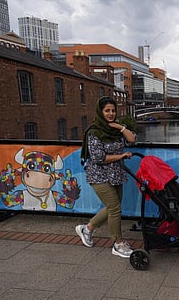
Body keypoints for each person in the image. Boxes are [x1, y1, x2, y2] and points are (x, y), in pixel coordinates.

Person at [76, 96, 136, 258]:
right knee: (115, 208)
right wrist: (121, 156)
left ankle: (87, 229)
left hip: (115, 174)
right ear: (100, 111)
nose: (110, 113)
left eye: (113, 110)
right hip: (98, 174)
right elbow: (98, 158)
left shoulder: (115, 130)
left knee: (112, 207)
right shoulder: (94, 132)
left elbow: (132, 140)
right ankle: (118, 243)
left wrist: (121, 127)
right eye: (107, 110)